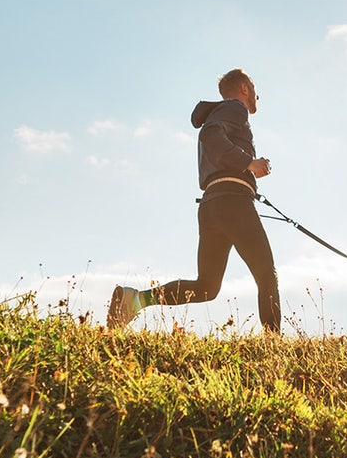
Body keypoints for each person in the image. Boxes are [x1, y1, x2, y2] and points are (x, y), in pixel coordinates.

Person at [107, 68, 281, 333]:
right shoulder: (235, 108)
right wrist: (249, 163)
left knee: (207, 286)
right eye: (254, 88)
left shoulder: (221, 113)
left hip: (212, 204)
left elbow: (213, 138)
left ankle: (136, 299)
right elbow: (210, 136)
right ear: (245, 88)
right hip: (233, 203)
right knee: (267, 276)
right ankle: (273, 345)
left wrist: (248, 169)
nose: (257, 95)